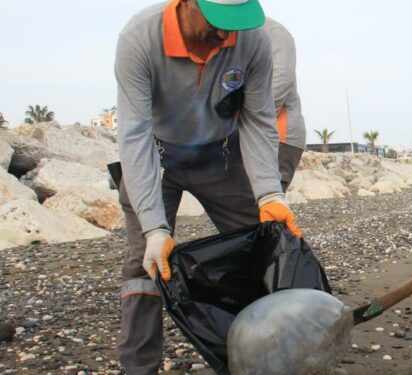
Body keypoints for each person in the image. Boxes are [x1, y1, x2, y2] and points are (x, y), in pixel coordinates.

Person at [114, 0, 302, 373]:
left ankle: (269, 356)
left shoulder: (254, 40)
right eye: (219, 20)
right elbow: (134, 135)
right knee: (145, 263)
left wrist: (269, 193)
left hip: (222, 154)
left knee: (260, 243)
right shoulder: (139, 38)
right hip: (158, 153)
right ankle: (139, 367)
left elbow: (258, 119)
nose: (226, 32)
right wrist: (154, 227)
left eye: (236, 21)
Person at [264, 17, 307, 192]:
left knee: (264, 207)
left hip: (280, 136)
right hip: (248, 137)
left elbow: (281, 80)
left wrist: (248, 123)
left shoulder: (274, 33)